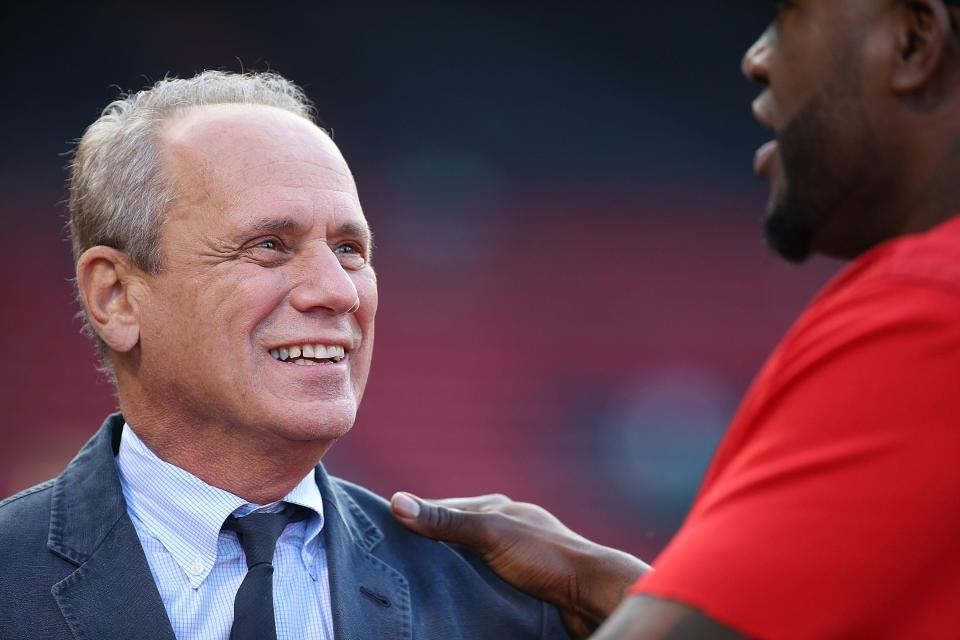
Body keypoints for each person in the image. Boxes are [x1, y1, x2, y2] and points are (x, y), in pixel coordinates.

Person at [389, 1, 960, 638]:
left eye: (790, 17)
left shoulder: (930, 312)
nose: (756, 58)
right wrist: (629, 591)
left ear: (912, 42)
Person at [0, 71, 570, 640]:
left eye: (349, 249)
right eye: (269, 246)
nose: (338, 290)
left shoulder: (499, 605)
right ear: (116, 297)